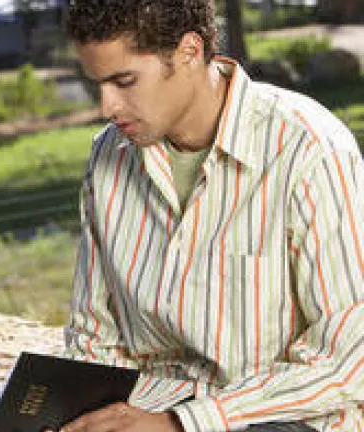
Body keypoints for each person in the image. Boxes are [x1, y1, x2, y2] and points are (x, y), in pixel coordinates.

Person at [60, 1, 364, 431]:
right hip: (152, 406)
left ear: (188, 52)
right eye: (97, 85)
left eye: (124, 81)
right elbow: (94, 336)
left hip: (279, 416)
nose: (106, 106)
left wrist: (181, 423)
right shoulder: (108, 155)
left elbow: (350, 359)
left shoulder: (309, 150)